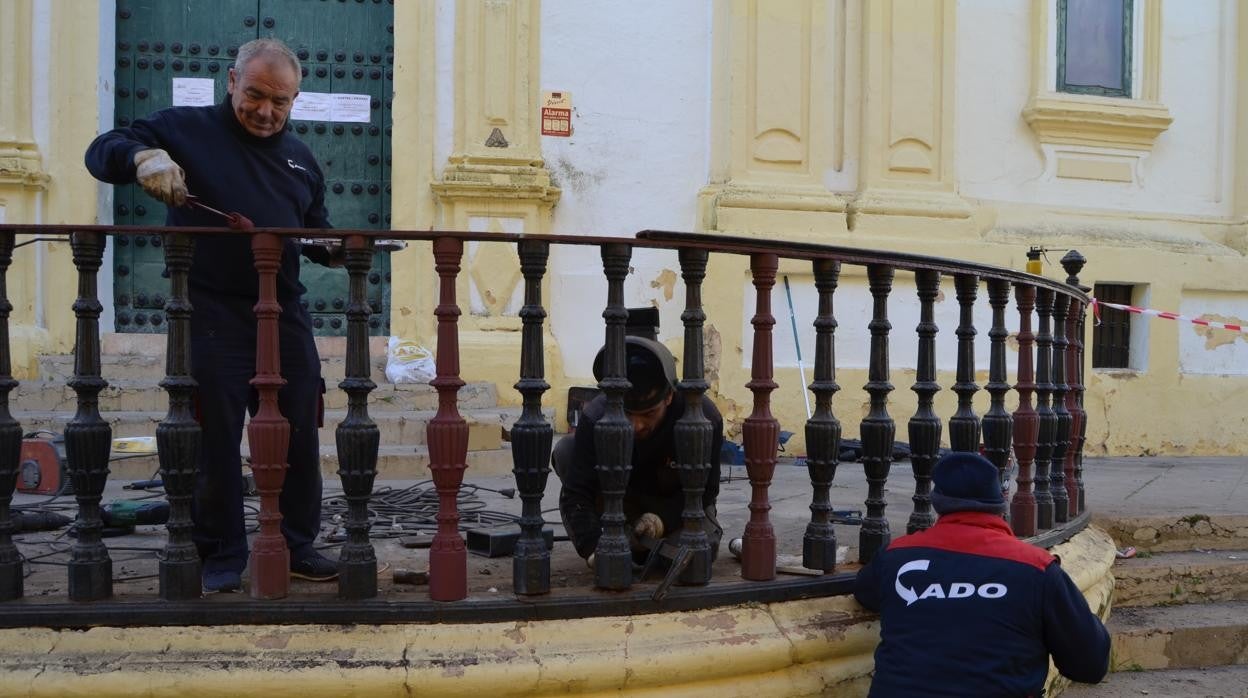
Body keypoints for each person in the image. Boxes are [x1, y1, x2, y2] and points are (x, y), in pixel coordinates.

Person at [85, 38, 340, 593]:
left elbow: (313, 228)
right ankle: (219, 550)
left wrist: (337, 246)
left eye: (281, 101)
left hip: (282, 311)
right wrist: (143, 157)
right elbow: (103, 149)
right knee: (215, 436)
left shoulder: (301, 157)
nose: (266, 111)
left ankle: (297, 545)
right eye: (254, 95)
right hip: (210, 309)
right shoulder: (183, 128)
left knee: (298, 432)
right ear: (231, 82)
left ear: (294, 100)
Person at [853, 451, 1110, 697]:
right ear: (1000, 502)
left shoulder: (896, 557)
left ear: (938, 502)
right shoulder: (1036, 568)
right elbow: (1090, 664)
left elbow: (866, 593)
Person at [555, 336, 724, 566]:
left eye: (648, 414)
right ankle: (626, 540)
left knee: (689, 560)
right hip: (622, 507)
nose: (636, 425)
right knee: (566, 449)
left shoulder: (702, 419)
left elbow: (706, 492)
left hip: (681, 509)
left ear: (669, 397)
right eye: (628, 414)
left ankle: (646, 545)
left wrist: (661, 520)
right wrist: (594, 549)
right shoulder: (597, 417)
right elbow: (577, 494)